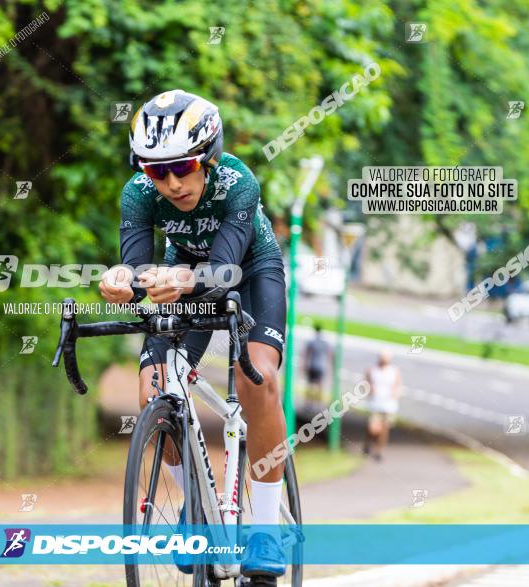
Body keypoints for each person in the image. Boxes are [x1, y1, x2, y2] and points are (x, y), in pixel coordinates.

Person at [98, 90, 288, 578]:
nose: (171, 182)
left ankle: (265, 529)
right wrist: (122, 282)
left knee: (257, 380)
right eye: (156, 171)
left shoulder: (237, 182)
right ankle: (193, 509)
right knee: (154, 388)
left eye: (182, 167)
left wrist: (182, 278)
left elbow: (224, 269)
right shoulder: (137, 194)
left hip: (248, 271)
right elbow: (138, 270)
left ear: (209, 157)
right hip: (183, 274)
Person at [363, 350, 402, 461]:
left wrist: (396, 392)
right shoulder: (372, 370)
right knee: (373, 429)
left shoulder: (394, 371)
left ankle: (378, 451)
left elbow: (398, 384)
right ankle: (368, 442)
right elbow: (366, 383)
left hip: (389, 405)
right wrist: (370, 389)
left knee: (384, 429)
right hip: (375, 404)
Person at [303, 325, 332, 404]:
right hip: (321, 366)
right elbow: (329, 354)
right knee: (319, 385)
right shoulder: (324, 342)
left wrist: (304, 366)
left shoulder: (312, 342)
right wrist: (329, 366)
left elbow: (306, 354)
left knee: (309, 385)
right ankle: (318, 402)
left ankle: (307, 402)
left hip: (312, 365)